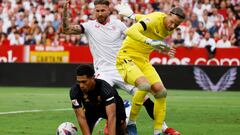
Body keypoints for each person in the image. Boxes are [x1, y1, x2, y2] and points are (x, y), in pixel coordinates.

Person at [62, 0, 180, 135]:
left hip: (122, 67)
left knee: (144, 97)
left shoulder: (118, 25)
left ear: (109, 10)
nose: (100, 13)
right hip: (103, 72)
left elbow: (135, 37)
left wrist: (157, 46)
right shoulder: (89, 26)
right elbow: (66, 30)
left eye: (103, 10)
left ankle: (163, 127)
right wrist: (65, 14)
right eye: (97, 10)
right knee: (95, 102)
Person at [115, 4, 185, 135]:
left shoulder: (169, 28)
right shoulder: (156, 18)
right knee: (144, 85)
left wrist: (132, 15)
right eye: (172, 22)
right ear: (167, 15)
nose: (172, 26)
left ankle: (158, 131)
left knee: (161, 92)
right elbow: (129, 31)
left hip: (143, 60)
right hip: (126, 56)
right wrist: (150, 42)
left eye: (176, 25)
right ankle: (131, 123)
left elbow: (144, 19)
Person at [69, 64, 127, 135]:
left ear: (93, 78)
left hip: (114, 109)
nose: (81, 86)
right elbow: (81, 117)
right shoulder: (75, 91)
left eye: (84, 82)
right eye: (79, 82)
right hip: (91, 110)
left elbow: (111, 116)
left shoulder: (105, 89)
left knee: (121, 133)